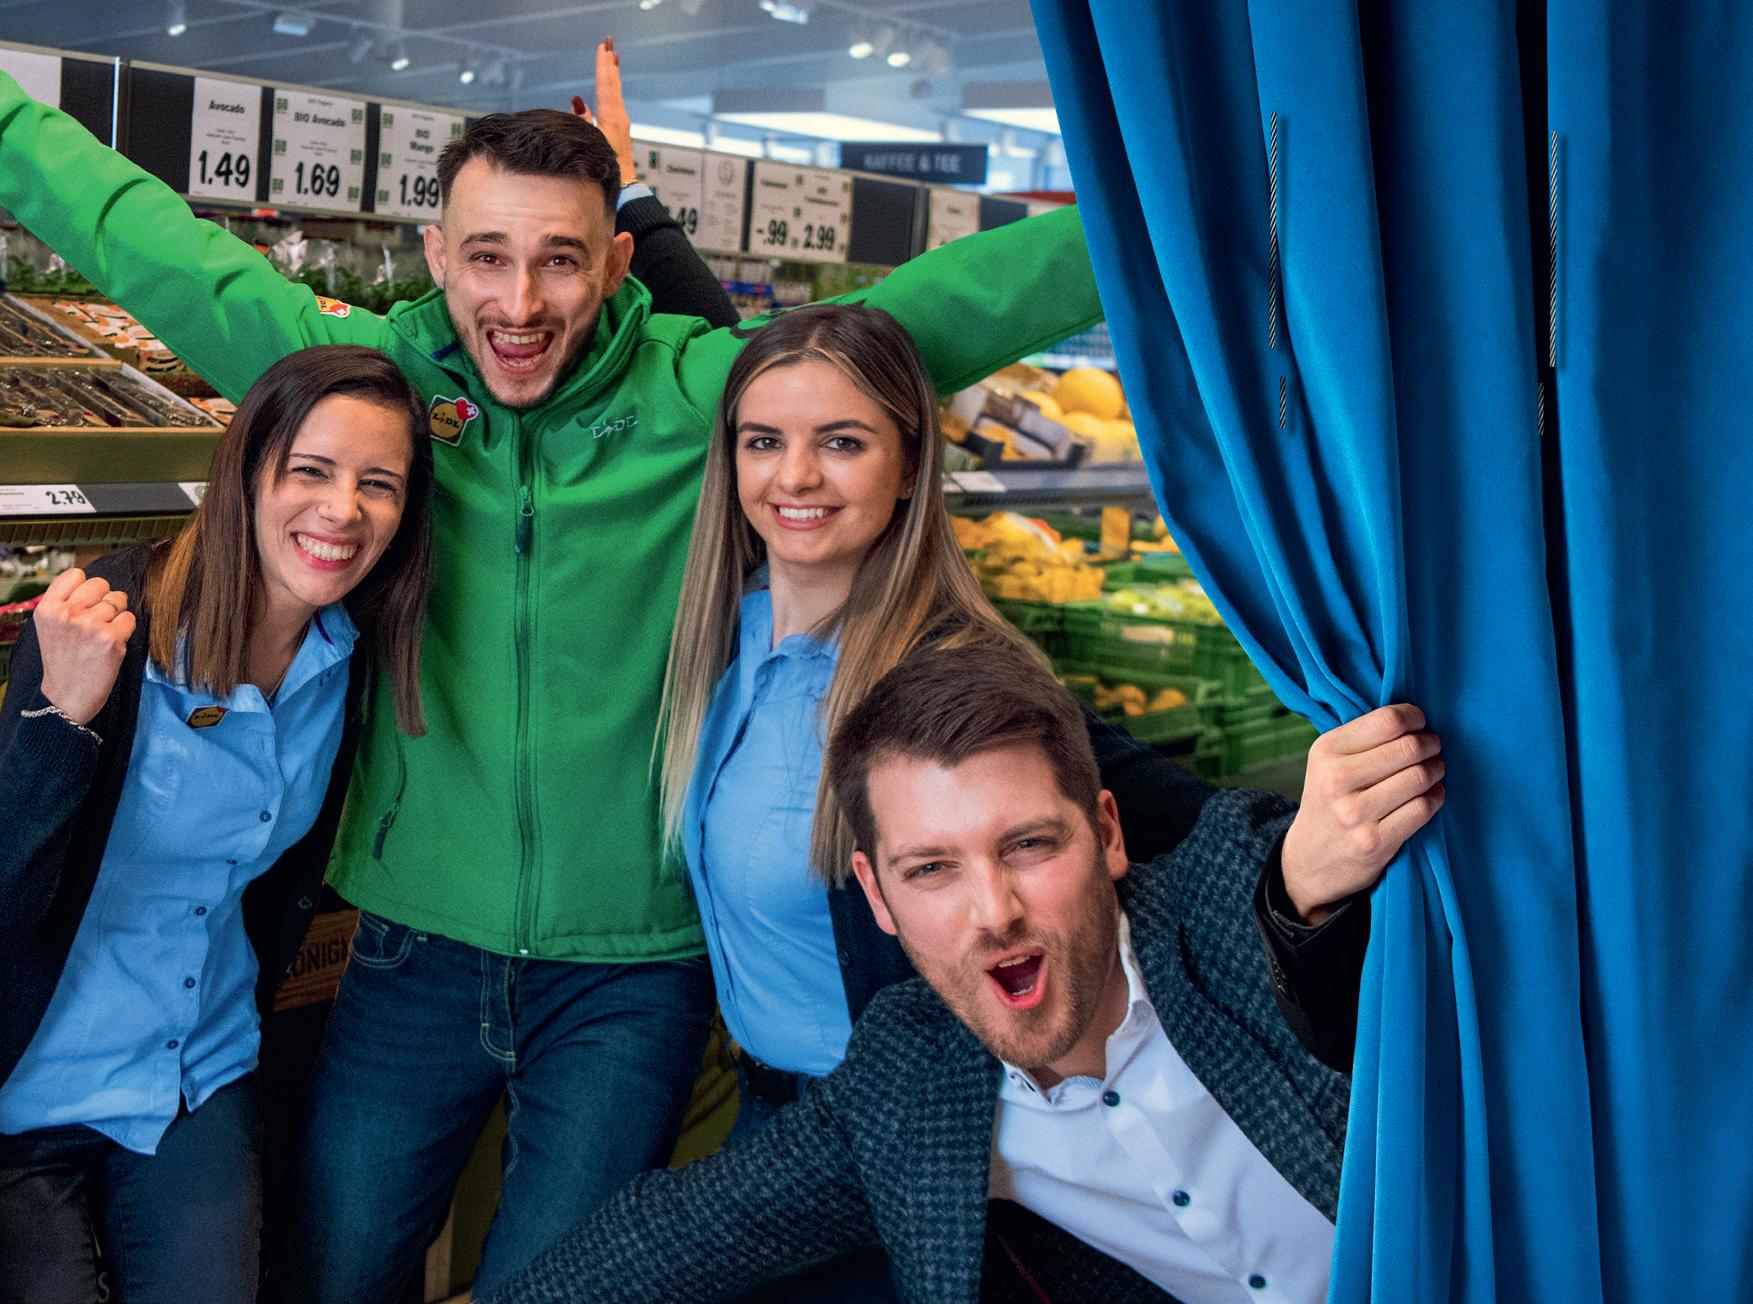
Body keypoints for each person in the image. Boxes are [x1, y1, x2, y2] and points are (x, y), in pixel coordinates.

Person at [0, 37, 1109, 1301]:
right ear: (436, 256)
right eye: (487, 256)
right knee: (331, 1273)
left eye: (560, 261)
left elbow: (955, 305)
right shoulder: (382, 386)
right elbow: (143, 238)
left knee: (558, 1287)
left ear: (617, 262)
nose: (520, 302)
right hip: (412, 948)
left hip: (631, 973)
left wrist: (1195, 203)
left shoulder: (706, 391)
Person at [481, 641, 1444, 1304]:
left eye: (1028, 845)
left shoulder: (1222, 908)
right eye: (932, 869)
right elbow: (671, 1238)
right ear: (878, 896)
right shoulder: (909, 1078)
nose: (994, 912)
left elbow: (1278, 892)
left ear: (1107, 834)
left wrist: (1314, 866)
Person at [0, 345, 433, 1304]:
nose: (342, 510)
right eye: (310, 470)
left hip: (195, 1071)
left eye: (379, 484)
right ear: (247, 470)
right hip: (30, 1083)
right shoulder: (106, 624)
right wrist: (59, 721)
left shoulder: (351, 657)